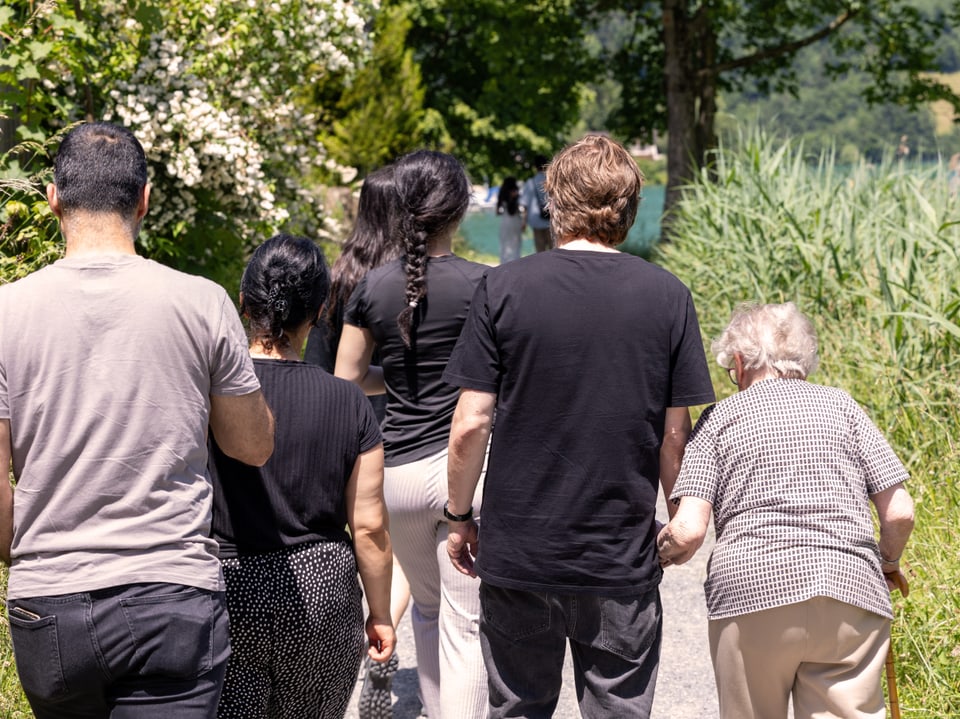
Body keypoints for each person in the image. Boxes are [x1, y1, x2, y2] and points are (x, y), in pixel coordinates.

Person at [0, 121, 275, 719]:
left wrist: (22, 556)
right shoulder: (202, 301)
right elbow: (251, 447)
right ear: (144, 200)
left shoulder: (5, 312)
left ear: (53, 199)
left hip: (49, 600)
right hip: (170, 593)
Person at [443, 134, 716, 718]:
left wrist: (460, 517)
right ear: (629, 207)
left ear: (555, 201)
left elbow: (471, 423)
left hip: (520, 550)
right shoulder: (667, 296)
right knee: (618, 708)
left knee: (517, 707)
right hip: (619, 554)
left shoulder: (504, 287)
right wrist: (681, 519)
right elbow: (675, 436)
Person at [657, 302, 915, 719]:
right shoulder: (843, 407)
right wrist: (887, 562)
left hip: (753, 594)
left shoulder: (721, 418)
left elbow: (687, 531)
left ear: (739, 363)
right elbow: (899, 511)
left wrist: (653, 552)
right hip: (848, 589)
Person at [209, 234, 394, 718]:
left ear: (243, 301)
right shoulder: (348, 400)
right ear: (316, 314)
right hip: (321, 590)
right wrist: (380, 612)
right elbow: (370, 526)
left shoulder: (207, 395)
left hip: (228, 586)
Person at [335, 150, 489, 719]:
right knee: (466, 622)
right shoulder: (486, 285)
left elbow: (349, 378)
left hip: (397, 472)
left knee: (426, 611)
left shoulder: (371, 288)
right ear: (461, 208)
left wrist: (399, 376)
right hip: (464, 474)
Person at [303, 165, 413, 718]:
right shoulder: (407, 278)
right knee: (396, 544)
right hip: (396, 428)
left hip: (334, 421)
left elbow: (323, 364)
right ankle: (380, 645)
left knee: (345, 536)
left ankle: (350, 643)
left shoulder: (337, 273)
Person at [520, 154, 552, 252]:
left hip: (536, 220)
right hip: (551, 220)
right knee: (553, 249)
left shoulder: (530, 182)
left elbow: (524, 204)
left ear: (535, 167)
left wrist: (524, 222)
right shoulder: (551, 181)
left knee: (540, 249)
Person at [495, 176, 524, 264]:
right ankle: (515, 263)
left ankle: (503, 263)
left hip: (505, 221)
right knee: (516, 244)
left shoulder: (502, 194)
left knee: (504, 244)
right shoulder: (516, 194)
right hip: (515, 221)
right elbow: (516, 210)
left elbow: (497, 212)